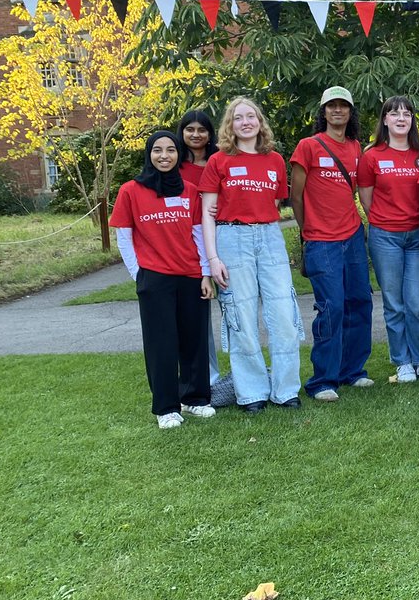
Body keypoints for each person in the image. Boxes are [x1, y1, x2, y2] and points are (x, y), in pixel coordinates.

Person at [200, 97, 304, 412]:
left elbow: (275, 204)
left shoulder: (274, 160)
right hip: (232, 237)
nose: (246, 122)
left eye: (251, 116)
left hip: (269, 236)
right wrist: (213, 258)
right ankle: (252, 393)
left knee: (283, 313)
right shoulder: (218, 161)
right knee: (241, 316)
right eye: (238, 118)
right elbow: (207, 213)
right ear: (230, 125)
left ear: (260, 122)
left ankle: (286, 390)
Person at [110, 130, 215, 428]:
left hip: (191, 275)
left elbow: (199, 235)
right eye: (158, 150)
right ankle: (166, 407)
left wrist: (206, 273)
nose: (164, 156)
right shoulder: (130, 190)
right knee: (161, 343)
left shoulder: (190, 190)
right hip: (155, 278)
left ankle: (195, 399)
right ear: (149, 154)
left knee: (194, 341)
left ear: (178, 154)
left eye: (171, 150)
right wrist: (139, 274)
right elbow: (124, 238)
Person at [290, 86, 374, 403]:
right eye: (331, 106)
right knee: (332, 307)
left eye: (343, 106)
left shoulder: (355, 148)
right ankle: (322, 380)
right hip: (321, 239)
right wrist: (307, 228)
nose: (337, 111)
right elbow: (295, 196)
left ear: (350, 112)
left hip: (352, 235)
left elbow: (353, 190)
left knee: (359, 301)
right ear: (323, 112)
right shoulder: (308, 147)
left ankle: (353, 371)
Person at [358, 97, 419, 384]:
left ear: (413, 120)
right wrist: (385, 220)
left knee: (417, 302)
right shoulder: (372, 156)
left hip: (418, 237)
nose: (401, 117)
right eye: (394, 113)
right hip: (385, 237)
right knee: (393, 302)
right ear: (385, 120)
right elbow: (366, 198)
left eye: (406, 113)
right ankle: (402, 362)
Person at [176, 109, 227, 398]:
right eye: (190, 129)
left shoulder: (220, 161)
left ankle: (243, 371)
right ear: (182, 132)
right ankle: (206, 375)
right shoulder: (174, 165)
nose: (196, 134)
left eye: (202, 129)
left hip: (225, 238)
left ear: (211, 133)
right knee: (197, 317)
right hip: (188, 245)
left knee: (233, 307)